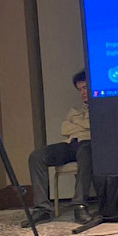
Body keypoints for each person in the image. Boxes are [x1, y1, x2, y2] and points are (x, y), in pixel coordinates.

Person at [21, 70, 93, 227]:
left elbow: (93, 129)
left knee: (86, 150)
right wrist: (83, 126)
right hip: (70, 144)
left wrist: (77, 125)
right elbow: (64, 129)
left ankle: (80, 205)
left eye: (85, 88)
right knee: (37, 156)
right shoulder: (75, 111)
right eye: (79, 89)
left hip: (87, 145)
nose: (82, 92)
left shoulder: (100, 108)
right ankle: (42, 209)